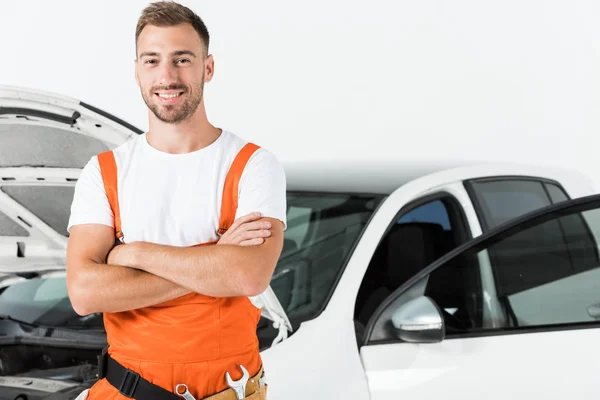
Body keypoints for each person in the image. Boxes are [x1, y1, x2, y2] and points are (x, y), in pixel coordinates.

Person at [65, 2, 286, 399]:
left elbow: (248, 276)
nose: (167, 76)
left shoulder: (253, 166)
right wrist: (214, 261)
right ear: (137, 71)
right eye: (152, 60)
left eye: (182, 59)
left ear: (208, 68)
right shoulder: (104, 171)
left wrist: (132, 253)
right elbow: (84, 293)